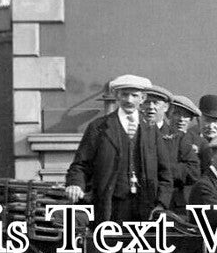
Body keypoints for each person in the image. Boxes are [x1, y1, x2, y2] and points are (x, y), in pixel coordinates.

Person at [64, 74, 174, 224]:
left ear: (142, 98)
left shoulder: (151, 129)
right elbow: (80, 165)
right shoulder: (99, 127)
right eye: (124, 95)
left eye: (134, 95)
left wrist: (161, 203)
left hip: (145, 208)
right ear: (117, 96)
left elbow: (165, 172)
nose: (129, 100)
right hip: (110, 206)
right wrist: (75, 184)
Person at [149, 90, 201, 211]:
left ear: (164, 108)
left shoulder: (178, 137)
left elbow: (193, 171)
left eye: (155, 103)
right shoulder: (134, 133)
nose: (151, 107)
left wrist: (161, 169)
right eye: (147, 102)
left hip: (171, 205)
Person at [197, 94, 217, 174]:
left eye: (216, 121)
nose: (211, 126)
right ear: (198, 119)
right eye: (207, 120)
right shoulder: (189, 141)